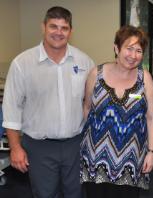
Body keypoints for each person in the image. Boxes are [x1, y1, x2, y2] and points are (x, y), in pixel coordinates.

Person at [2, 6, 94, 198]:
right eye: (53, 26)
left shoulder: (84, 62)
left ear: (71, 31)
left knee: (76, 193)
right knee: (45, 195)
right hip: (38, 147)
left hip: (74, 145)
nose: (58, 32)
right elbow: (11, 109)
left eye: (64, 28)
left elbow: (93, 102)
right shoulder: (23, 63)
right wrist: (16, 148)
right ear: (43, 27)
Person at [80, 25, 153, 198]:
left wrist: (151, 152)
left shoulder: (145, 79)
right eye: (129, 49)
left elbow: (152, 117)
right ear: (116, 48)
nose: (133, 55)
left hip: (131, 160)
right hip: (96, 159)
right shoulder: (96, 74)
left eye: (138, 50)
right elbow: (86, 109)